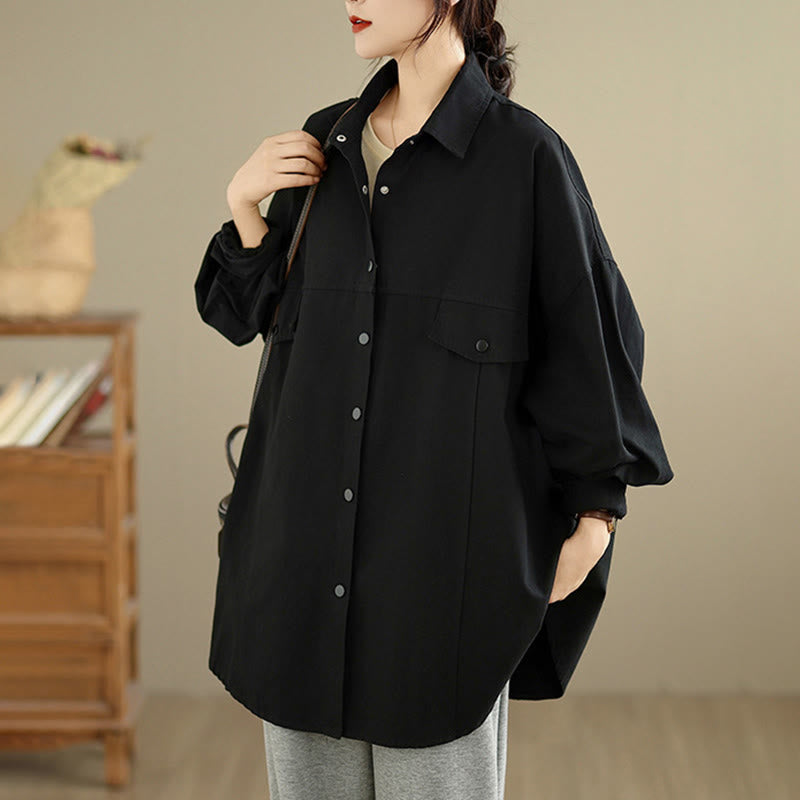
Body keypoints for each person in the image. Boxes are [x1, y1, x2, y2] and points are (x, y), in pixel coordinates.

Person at [194, 1, 675, 798]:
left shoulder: (526, 161)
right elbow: (249, 317)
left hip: (441, 596)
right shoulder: (321, 146)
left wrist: (595, 520)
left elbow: (590, 348)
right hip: (300, 581)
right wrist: (244, 208)